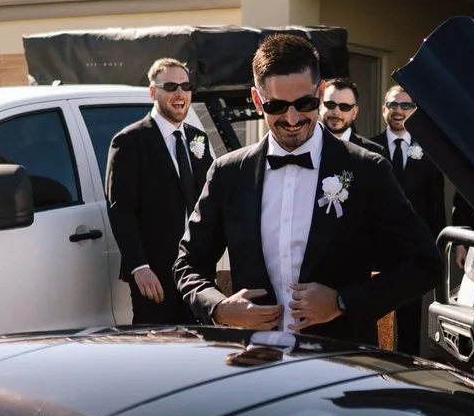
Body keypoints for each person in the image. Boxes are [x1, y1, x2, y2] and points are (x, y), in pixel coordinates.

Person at [176, 33, 433, 347]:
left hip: (340, 362)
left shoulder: (367, 170)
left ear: (321, 92)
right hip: (254, 357)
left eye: (305, 104)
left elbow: (424, 264)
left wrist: (342, 301)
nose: (292, 118)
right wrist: (219, 308)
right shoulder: (229, 173)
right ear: (257, 100)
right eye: (276, 106)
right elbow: (189, 263)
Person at [104, 57, 210, 324]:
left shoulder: (198, 138)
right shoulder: (129, 141)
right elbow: (121, 210)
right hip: (154, 275)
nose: (180, 93)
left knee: (201, 343)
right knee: (157, 345)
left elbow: (209, 201)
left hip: (196, 272)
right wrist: (139, 266)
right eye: (171, 86)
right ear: (153, 92)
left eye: (186, 86)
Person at [378, 83, 445, 356]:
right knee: (377, 317)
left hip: (412, 252)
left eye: (406, 105)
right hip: (375, 250)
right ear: (384, 109)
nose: (399, 110)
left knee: (409, 319)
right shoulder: (367, 147)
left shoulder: (428, 152)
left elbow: (436, 206)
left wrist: (438, 250)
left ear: (414, 111)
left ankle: (405, 366)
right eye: (393, 104)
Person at [320, 78, 384, 154]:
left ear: (354, 112)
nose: (336, 112)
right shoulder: (307, 144)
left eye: (344, 107)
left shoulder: (374, 152)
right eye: (330, 104)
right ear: (320, 105)